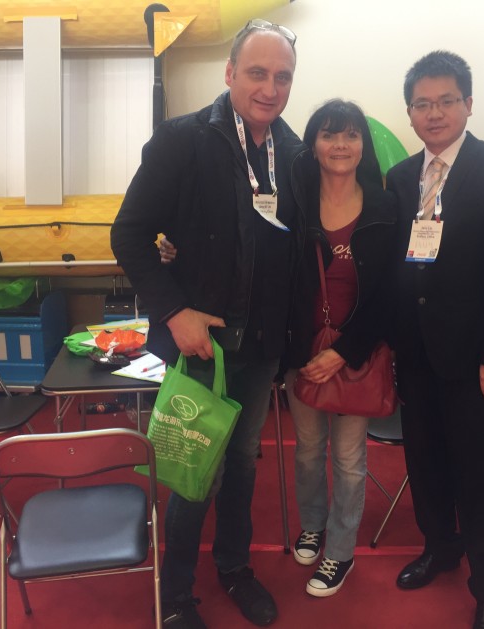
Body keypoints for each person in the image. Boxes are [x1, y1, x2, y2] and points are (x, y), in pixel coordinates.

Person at [110, 19, 304, 629]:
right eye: (257, 73)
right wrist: (174, 311)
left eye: (282, 77)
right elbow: (129, 235)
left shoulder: (294, 152)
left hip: (260, 348)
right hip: (200, 345)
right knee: (196, 470)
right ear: (229, 72)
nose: (269, 89)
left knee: (243, 463)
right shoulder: (181, 140)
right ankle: (175, 595)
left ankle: (234, 567)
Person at [386, 51, 484, 629]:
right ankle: (440, 548)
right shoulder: (401, 178)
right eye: (422, 104)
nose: (434, 113)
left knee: (478, 476)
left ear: (468, 104)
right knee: (424, 464)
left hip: (476, 362)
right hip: (415, 356)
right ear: (409, 112)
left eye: (446, 101)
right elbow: (396, 266)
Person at [283, 99, 396, 597]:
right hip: (302, 354)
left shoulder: (385, 209)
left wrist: (344, 352)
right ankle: (313, 524)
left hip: (356, 355)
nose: (340, 145)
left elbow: (389, 294)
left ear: (363, 145)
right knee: (308, 451)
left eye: (351, 135)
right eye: (329, 134)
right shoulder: (295, 204)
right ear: (313, 145)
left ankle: (341, 550)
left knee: (349, 460)